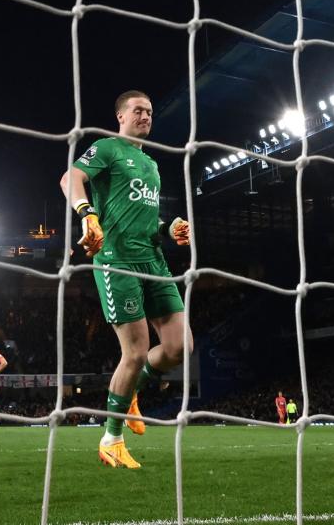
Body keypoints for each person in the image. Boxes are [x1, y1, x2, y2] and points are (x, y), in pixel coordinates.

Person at [60, 90, 193, 469]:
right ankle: (111, 438)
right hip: (118, 262)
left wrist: (171, 228)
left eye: (150, 111)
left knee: (180, 346)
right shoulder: (107, 148)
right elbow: (70, 178)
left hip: (154, 259)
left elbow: (147, 219)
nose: (146, 116)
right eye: (138, 110)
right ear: (121, 116)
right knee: (134, 352)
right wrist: (86, 213)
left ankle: (133, 389)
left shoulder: (150, 164)